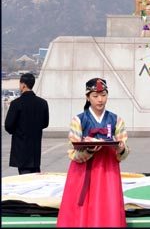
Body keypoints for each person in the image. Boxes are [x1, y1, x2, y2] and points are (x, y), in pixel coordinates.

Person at [57, 78, 129, 227]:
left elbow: (124, 151)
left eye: (103, 95)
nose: (100, 99)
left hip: (108, 171)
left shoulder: (116, 120)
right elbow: (72, 152)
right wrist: (88, 150)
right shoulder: (79, 120)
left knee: (108, 207)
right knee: (81, 211)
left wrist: (121, 149)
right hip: (83, 172)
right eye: (95, 96)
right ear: (87, 97)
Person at [5, 73, 49, 175]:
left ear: (23, 85)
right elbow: (45, 123)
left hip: (21, 147)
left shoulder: (16, 103)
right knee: (35, 175)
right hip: (35, 147)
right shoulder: (42, 103)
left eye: (20, 84)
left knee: (24, 178)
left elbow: (8, 125)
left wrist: (16, 131)